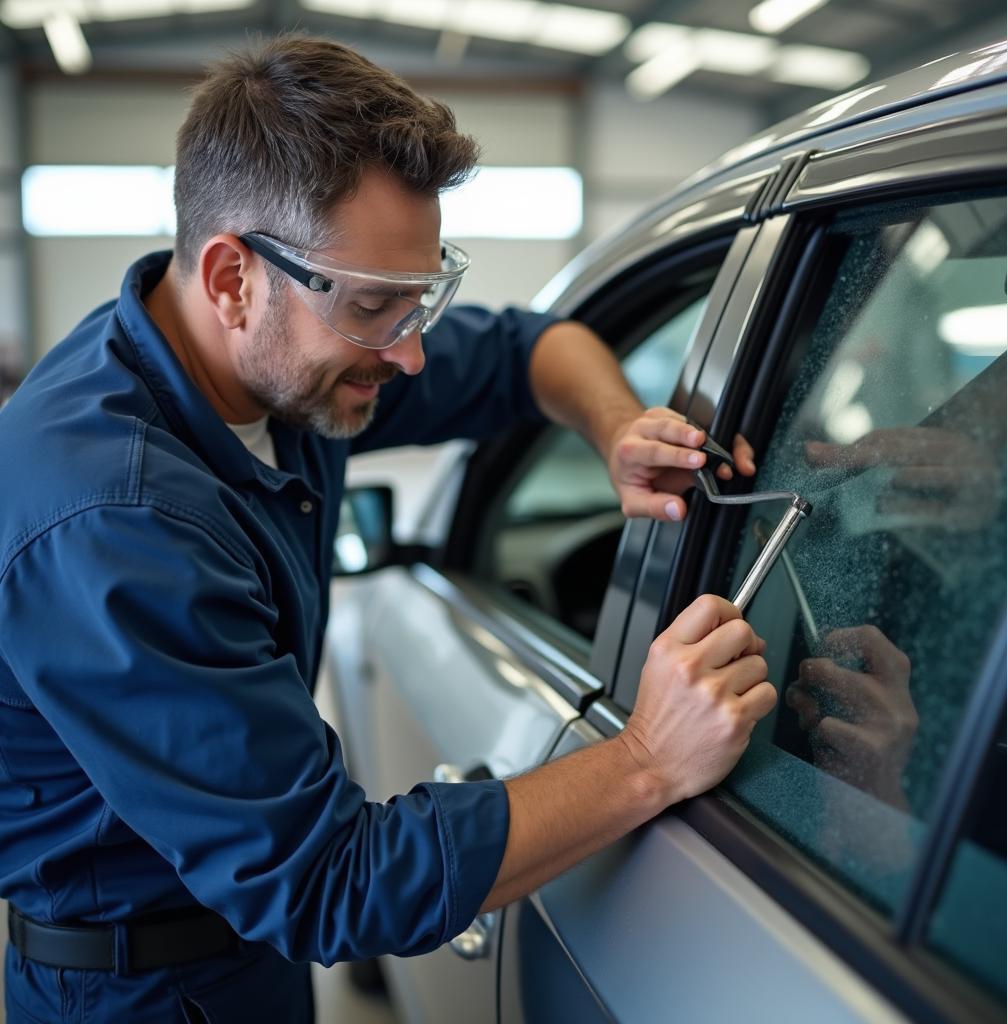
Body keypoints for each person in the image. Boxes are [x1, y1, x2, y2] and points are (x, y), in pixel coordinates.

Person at [0, 35, 774, 1023]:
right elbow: (326, 879)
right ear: (234, 276)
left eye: (421, 298)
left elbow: (522, 351)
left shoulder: (276, 364)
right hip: (138, 993)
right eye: (375, 307)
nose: (408, 355)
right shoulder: (114, 521)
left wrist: (618, 425)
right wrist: (648, 760)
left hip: (238, 954)